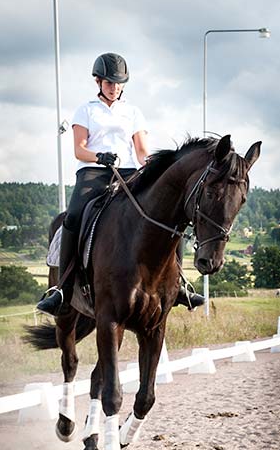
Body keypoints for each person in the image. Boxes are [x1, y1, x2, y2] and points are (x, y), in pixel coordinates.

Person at [37, 52, 204, 316]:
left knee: (169, 215)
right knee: (73, 218)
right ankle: (63, 288)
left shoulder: (133, 112)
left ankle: (178, 283)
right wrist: (99, 156)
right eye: (109, 83)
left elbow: (140, 150)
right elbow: (79, 150)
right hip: (93, 172)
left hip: (128, 173)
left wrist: (150, 163)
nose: (114, 88)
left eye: (118, 83)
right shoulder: (86, 109)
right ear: (98, 81)